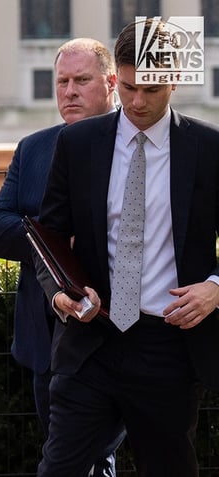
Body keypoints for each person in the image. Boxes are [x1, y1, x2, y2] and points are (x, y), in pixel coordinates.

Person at [34, 19, 219, 476]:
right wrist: (61, 293)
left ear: (175, 79)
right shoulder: (78, 143)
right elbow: (48, 236)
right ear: (116, 77)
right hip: (90, 341)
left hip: (170, 348)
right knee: (58, 470)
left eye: (152, 90)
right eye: (130, 87)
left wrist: (216, 286)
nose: (137, 102)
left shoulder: (209, 147)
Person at [0, 38, 126, 476]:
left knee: (89, 458)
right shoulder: (34, 148)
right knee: (70, 456)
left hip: (120, 336)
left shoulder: (137, 149)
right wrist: (53, 242)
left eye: (82, 80)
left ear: (111, 83)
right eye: (61, 81)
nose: (69, 91)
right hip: (47, 340)